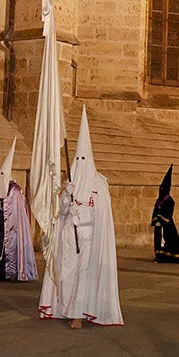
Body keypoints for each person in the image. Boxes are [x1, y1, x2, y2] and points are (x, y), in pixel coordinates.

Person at [38, 107, 122, 328]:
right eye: (79, 158)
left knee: (84, 272)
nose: (81, 162)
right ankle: (64, 306)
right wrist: (67, 200)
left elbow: (102, 216)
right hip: (68, 234)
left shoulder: (99, 185)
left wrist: (83, 213)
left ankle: (78, 313)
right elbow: (59, 212)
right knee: (68, 271)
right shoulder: (70, 183)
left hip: (88, 235)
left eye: (85, 158)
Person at [0, 137, 37, 279]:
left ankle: (13, 271)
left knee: (10, 247)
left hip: (12, 227)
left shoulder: (15, 190)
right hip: (1, 225)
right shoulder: (2, 186)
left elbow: (17, 210)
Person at [150, 164, 179, 264]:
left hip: (167, 225)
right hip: (159, 224)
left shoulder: (170, 201)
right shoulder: (159, 200)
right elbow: (155, 210)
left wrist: (161, 219)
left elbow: (168, 213)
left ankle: (166, 256)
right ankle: (158, 255)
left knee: (168, 241)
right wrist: (155, 220)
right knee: (158, 241)